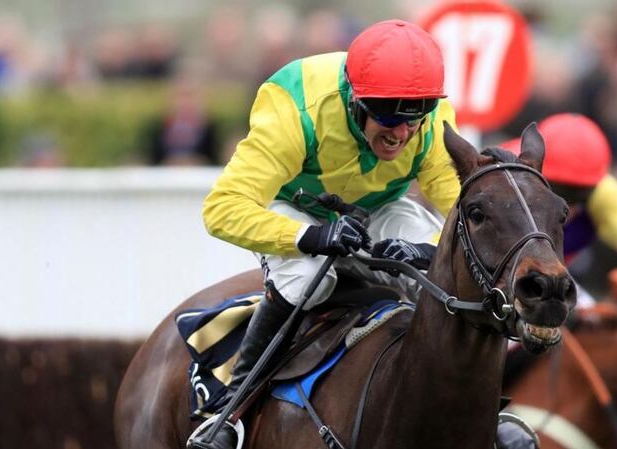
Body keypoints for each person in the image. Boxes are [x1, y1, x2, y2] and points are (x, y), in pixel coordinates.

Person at [194, 20, 535, 449]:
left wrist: (425, 250)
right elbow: (221, 209)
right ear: (354, 99)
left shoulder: (429, 122)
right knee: (305, 282)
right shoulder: (293, 108)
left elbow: (463, 214)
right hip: (297, 208)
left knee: (452, 266)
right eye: (389, 114)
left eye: (417, 115)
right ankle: (231, 409)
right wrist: (312, 238)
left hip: (379, 209)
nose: (403, 132)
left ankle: (490, 410)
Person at [502, 113, 617, 306]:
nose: (568, 211)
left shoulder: (605, 193)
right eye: (557, 191)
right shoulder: (505, 176)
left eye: (578, 197)